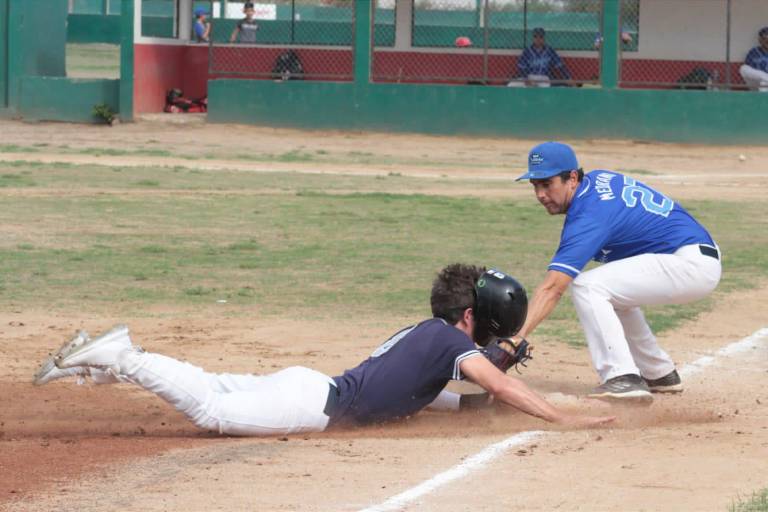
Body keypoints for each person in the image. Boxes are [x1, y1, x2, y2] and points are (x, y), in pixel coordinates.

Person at [33, 264, 614, 436]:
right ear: (468, 319)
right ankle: (123, 357)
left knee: (213, 383)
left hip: (309, 385)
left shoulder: (429, 344)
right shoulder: (444, 342)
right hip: (313, 405)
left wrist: (490, 393)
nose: (488, 340)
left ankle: (98, 359)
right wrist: (563, 415)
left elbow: (455, 401)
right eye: (485, 331)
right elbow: (502, 387)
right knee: (210, 409)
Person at [512, 142, 721, 401]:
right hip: (691, 255)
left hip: (689, 263)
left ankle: (621, 377)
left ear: (572, 178)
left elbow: (554, 287)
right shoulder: (597, 181)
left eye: (547, 184)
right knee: (613, 293)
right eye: (535, 185)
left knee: (588, 286)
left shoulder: (590, 216)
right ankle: (659, 373)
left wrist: (515, 337)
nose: (540, 194)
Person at [739, 27, 768, 92]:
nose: (767, 41)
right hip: (756, 83)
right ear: (760, 40)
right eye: (765, 39)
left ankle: (762, 100)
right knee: (743, 68)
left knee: (764, 82)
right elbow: (748, 70)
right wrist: (764, 76)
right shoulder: (754, 52)